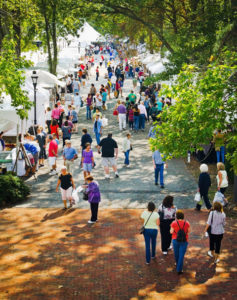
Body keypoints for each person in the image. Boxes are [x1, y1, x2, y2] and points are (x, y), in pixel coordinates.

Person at [170, 210, 190, 274]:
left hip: (175, 240)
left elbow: (171, 232)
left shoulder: (174, 223)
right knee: (181, 254)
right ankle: (179, 269)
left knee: (176, 253)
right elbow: (189, 231)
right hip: (184, 240)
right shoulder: (187, 223)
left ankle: (177, 264)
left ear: (176, 217)